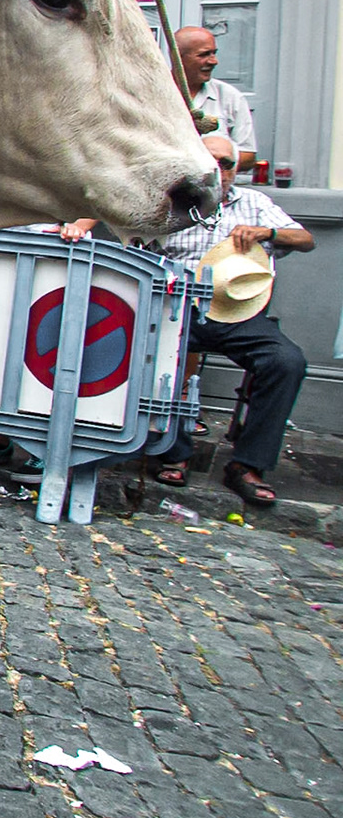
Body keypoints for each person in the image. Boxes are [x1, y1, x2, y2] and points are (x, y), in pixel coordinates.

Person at [150, 134, 312, 504]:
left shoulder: (253, 202)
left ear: (236, 170)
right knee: (154, 351)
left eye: (225, 163)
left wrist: (266, 233)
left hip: (240, 312)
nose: (218, 170)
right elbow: (138, 249)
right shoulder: (173, 205)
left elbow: (305, 239)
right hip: (181, 308)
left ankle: (247, 464)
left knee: (286, 362)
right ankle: (173, 453)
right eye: (210, 162)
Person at [0, 221, 99, 485]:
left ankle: (50, 450)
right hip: (8, 249)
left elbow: (97, 192)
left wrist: (79, 224)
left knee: (47, 353)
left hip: (58, 251)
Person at [178, 26, 256, 173]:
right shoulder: (151, 97)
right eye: (204, 55)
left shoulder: (230, 97)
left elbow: (249, 156)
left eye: (214, 53)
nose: (214, 61)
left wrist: (218, 155)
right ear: (177, 56)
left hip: (216, 192)